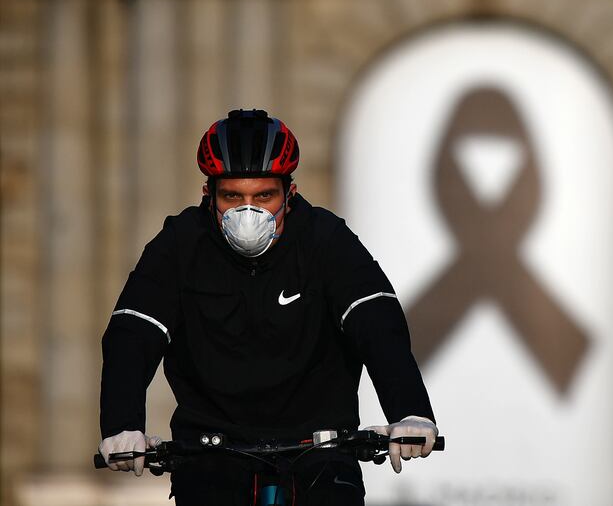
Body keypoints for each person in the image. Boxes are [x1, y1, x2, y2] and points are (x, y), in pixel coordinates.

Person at [98, 109, 438, 505]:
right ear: (209, 196)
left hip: (321, 449)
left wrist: (411, 411)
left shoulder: (326, 239)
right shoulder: (179, 244)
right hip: (211, 451)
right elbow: (133, 332)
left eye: (263, 195)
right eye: (232, 197)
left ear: (288, 195)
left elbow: (377, 322)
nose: (248, 211)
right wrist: (122, 423)